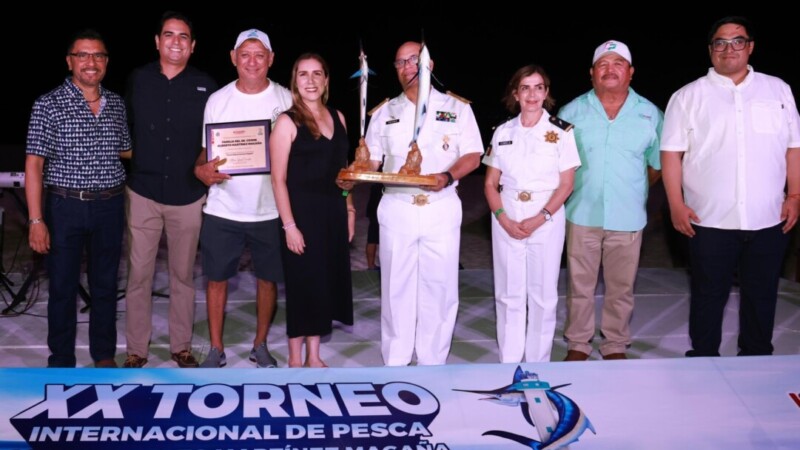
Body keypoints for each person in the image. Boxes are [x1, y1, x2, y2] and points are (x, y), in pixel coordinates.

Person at [661, 16, 800, 357]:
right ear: (711, 51)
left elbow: (792, 147)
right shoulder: (687, 96)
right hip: (708, 218)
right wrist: (676, 205)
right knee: (708, 293)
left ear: (750, 46)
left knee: (762, 292)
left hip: (768, 216)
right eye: (720, 43)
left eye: (737, 41)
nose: (729, 48)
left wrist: (795, 195)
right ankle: (704, 357)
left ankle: (755, 357)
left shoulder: (778, 90)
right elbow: (671, 155)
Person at [364, 41, 483, 366]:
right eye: (400, 62)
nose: (407, 67)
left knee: (440, 286)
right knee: (395, 288)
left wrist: (446, 176)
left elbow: (473, 155)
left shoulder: (456, 108)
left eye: (414, 60)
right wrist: (355, 172)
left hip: (440, 206)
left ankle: (433, 361)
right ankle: (397, 361)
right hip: (397, 208)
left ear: (430, 64)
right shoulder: (383, 112)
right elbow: (372, 161)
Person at [25, 29, 130, 368]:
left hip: (110, 206)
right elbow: (34, 164)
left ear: (106, 62)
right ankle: (61, 357)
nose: (91, 62)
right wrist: (36, 220)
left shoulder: (116, 103)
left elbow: (126, 151)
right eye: (83, 55)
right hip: (65, 206)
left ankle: (103, 355)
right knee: (62, 288)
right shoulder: (48, 103)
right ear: (69, 60)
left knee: (105, 285)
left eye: (98, 55)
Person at [122, 11, 218, 369]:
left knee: (182, 276)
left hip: (188, 196)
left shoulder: (207, 86)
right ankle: (137, 350)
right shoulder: (138, 79)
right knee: (139, 276)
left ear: (192, 46)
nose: (175, 41)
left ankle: (181, 346)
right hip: (143, 192)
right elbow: (123, 127)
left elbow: (213, 139)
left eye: (183, 37)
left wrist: (204, 165)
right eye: (169, 35)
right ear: (157, 41)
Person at [559, 40, 663, 361]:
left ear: (630, 72)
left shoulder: (650, 114)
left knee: (621, 287)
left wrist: (632, 190)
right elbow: (559, 163)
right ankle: (578, 343)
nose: (610, 69)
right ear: (592, 73)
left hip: (628, 216)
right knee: (580, 285)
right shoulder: (570, 112)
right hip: (581, 212)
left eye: (618, 63)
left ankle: (615, 343)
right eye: (603, 64)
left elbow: (657, 164)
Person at [193, 29, 292, 368]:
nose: (252, 61)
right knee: (216, 279)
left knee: (268, 281)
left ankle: (260, 344)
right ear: (233, 57)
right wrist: (200, 171)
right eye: (245, 54)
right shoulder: (217, 100)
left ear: (271, 59)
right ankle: (216, 349)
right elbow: (205, 152)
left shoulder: (286, 99)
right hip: (223, 207)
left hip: (270, 210)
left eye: (260, 54)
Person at [483, 65, 581, 363]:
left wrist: (540, 218)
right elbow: (489, 183)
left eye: (538, 87)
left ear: (546, 93)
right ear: (516, 93)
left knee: (542, 293)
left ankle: (539, 361)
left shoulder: (561, 132)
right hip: (507, 214)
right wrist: (502, 217)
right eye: (525, 87)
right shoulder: (502, 131)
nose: (532, 94)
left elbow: (566, 185)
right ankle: (509, 361)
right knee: (509, 292)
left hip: (546, 216)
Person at [270, 53, 355, 368]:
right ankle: (295, 358)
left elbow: (343, 172)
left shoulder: (339, 117)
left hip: (332, 213)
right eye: (303, 74)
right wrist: (289, 226)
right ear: (295, 81)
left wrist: (348, 209)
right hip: (301, 216)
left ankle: (314, 355)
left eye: (317, 73)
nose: (310, 80)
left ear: (326, 80)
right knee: (303, 284)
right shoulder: (286, 121)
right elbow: (277, 180)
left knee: (323, 283)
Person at [365, 181, 383, 270]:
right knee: (374, 237)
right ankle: (371, 265)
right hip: (379, 203)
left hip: (375, 204)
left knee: (372, 237)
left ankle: (371, 265)